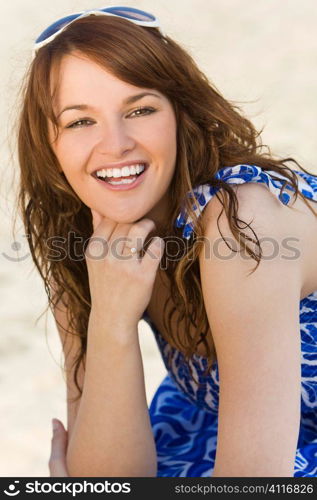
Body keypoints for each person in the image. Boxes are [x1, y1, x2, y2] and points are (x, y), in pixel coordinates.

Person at [16, 6, 317, 477]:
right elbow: (110, 481)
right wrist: (112, 320)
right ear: (48, 145)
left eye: (140, 110)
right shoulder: (77, 242)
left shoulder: (242, 222)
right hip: (224, 427)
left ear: (180, 114)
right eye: (79, 121)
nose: (115, 144)